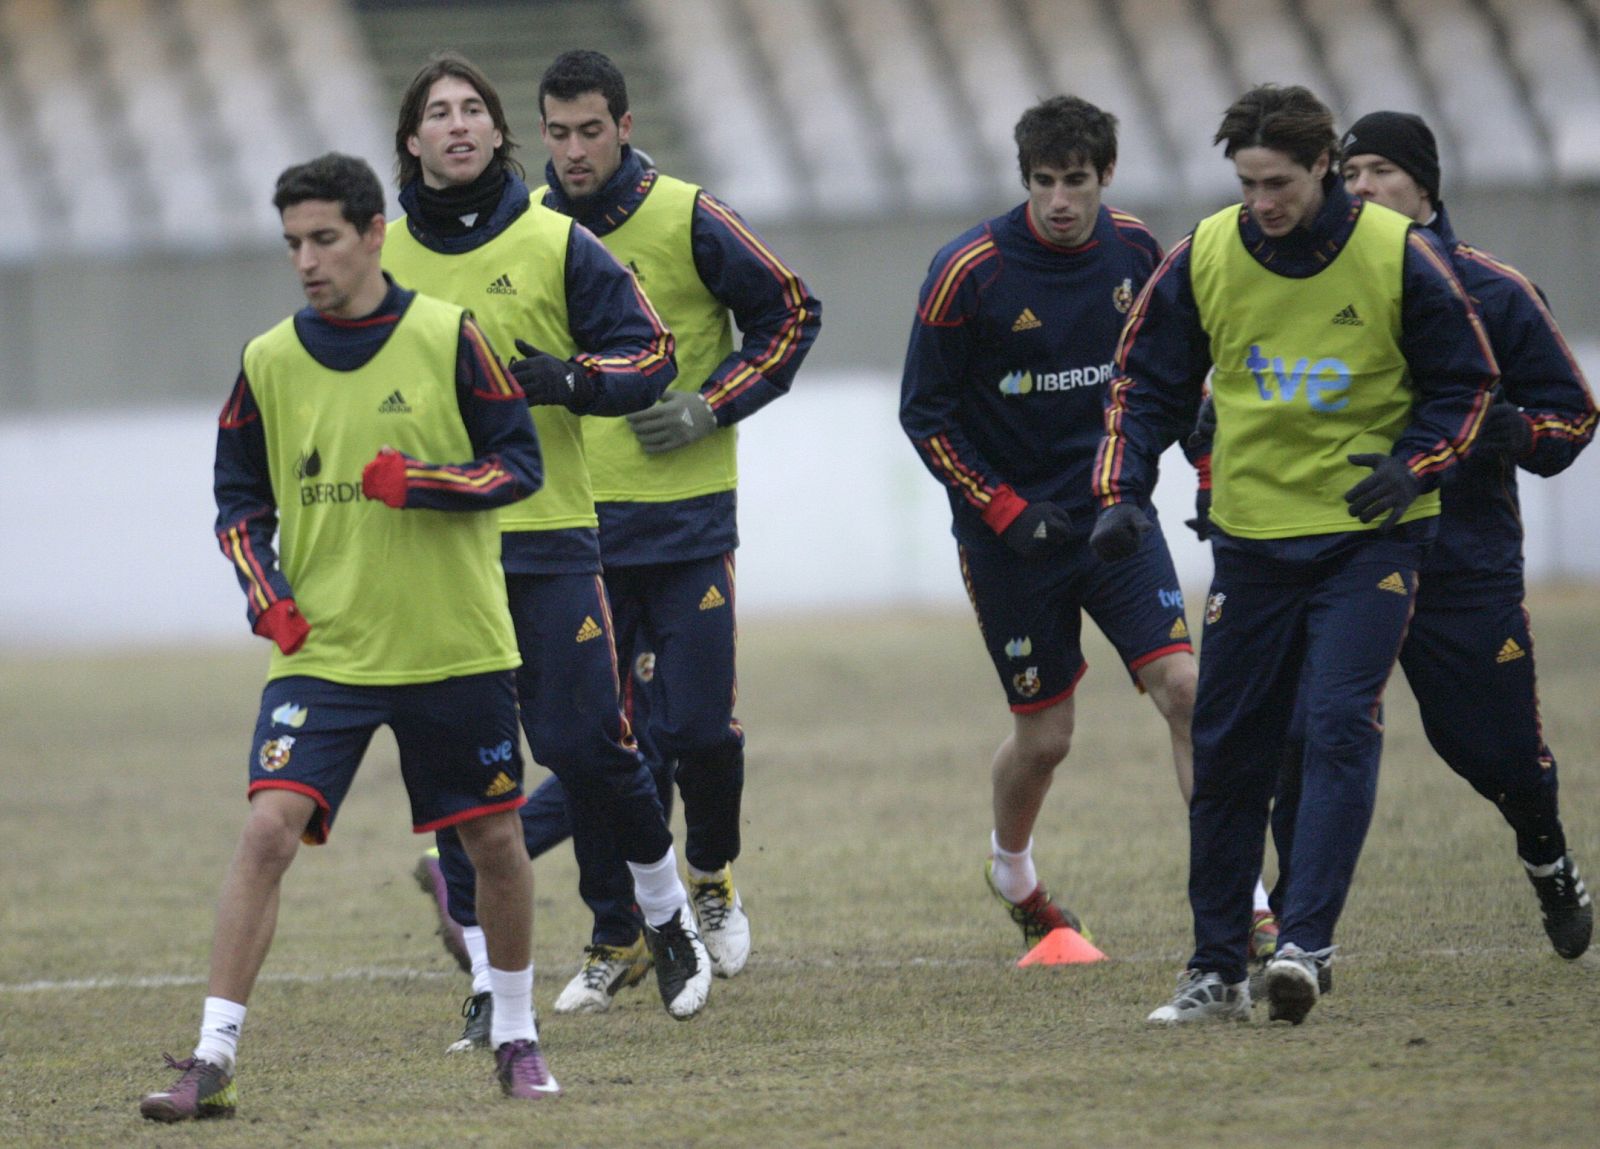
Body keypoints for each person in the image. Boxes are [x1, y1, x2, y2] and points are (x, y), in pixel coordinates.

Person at [138, 153, 557, 1119]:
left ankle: (519, 1034)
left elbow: (518, 465)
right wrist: (266, 597)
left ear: (374, 234)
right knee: (265, 831)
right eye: (292, 243)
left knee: (495, 839)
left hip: (454, 644)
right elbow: (239, 505)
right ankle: (211, 1059)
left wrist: (424, 481)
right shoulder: (267, 360)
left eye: (324, 238)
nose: (307, 260)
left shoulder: (451, 337)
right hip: (324, 653)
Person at [1091, 84, 1496, 1026]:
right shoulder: (1208, 253)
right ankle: (1215, 966)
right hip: (1253, 543)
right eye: (1247, 183)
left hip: (1372, 539)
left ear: (1324, 167)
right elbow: (1140, 382)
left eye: (1279, 182)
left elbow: (1470, 386)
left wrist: (1413, 466)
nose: (1262, 202)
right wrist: (1117, 493)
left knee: (1338, 721)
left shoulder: (1399, 256)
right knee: (1232, 746)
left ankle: (1305, 944)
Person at [469, 49, 820, 1012]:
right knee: (594, 748)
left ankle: (710, 871)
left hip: (689, 525)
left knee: (702, 727)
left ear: (625, 126)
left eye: (591, 130)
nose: (574, 150)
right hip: (575, 534)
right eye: (558, 131)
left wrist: (712, 404)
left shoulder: (688, 216)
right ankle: (615, 933)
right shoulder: (523, 232)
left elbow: (790, 315)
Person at [381, 52, 712, 1040]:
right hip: (436, 556)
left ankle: (667, 916)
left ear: (497, 132)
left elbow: (652, 355)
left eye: (473, 108)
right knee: (457, 779)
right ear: (411, 140)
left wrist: (571, 380)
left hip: (549, 537)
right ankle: (491, 985)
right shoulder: (383, 256)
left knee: (582, 743)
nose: (457, 123)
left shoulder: (556, 241)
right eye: (437, 111)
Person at [898, 95, 1200, 956]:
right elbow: (925, 415)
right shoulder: (969, 271)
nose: (1060, 200)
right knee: (1047, 737)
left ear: (1107, 176)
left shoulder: (1140, 251)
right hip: (1012, 541)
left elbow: (1163, 375)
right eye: (1043, 182)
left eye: (1076, 181)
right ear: (1024, 180)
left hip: (1115, 518)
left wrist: (1189, 443)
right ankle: (1013, 869)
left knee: (1186, 691)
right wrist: (1005, 510)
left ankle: (1240, 900)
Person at [1313, 112, 1590, 955]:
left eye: (1379, 170)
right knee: (1302, 733)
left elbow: (1571, 416)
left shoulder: (1496, 291)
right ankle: (1287, 930)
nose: (1359, 186)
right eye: (1348, 171)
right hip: (1336, 554)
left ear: (1426, 187)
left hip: (1462, 562)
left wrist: (1520, 435)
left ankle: (1546, 856)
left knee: (1490, 750)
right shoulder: (1307, 288)